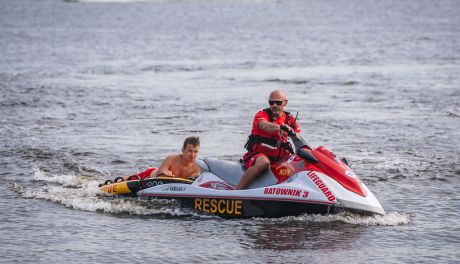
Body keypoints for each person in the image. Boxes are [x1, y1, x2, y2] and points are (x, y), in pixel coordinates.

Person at [235, 89, 301, 189]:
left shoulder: (290, 119)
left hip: (279, 159)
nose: (274, 105)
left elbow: (299, 139)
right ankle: (236, 192)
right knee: (264, 163)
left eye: (278, 102)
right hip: (257, 156)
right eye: (271, 102)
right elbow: (263, 125)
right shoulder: (262, 115)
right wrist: (280, 127)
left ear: (285, 103)